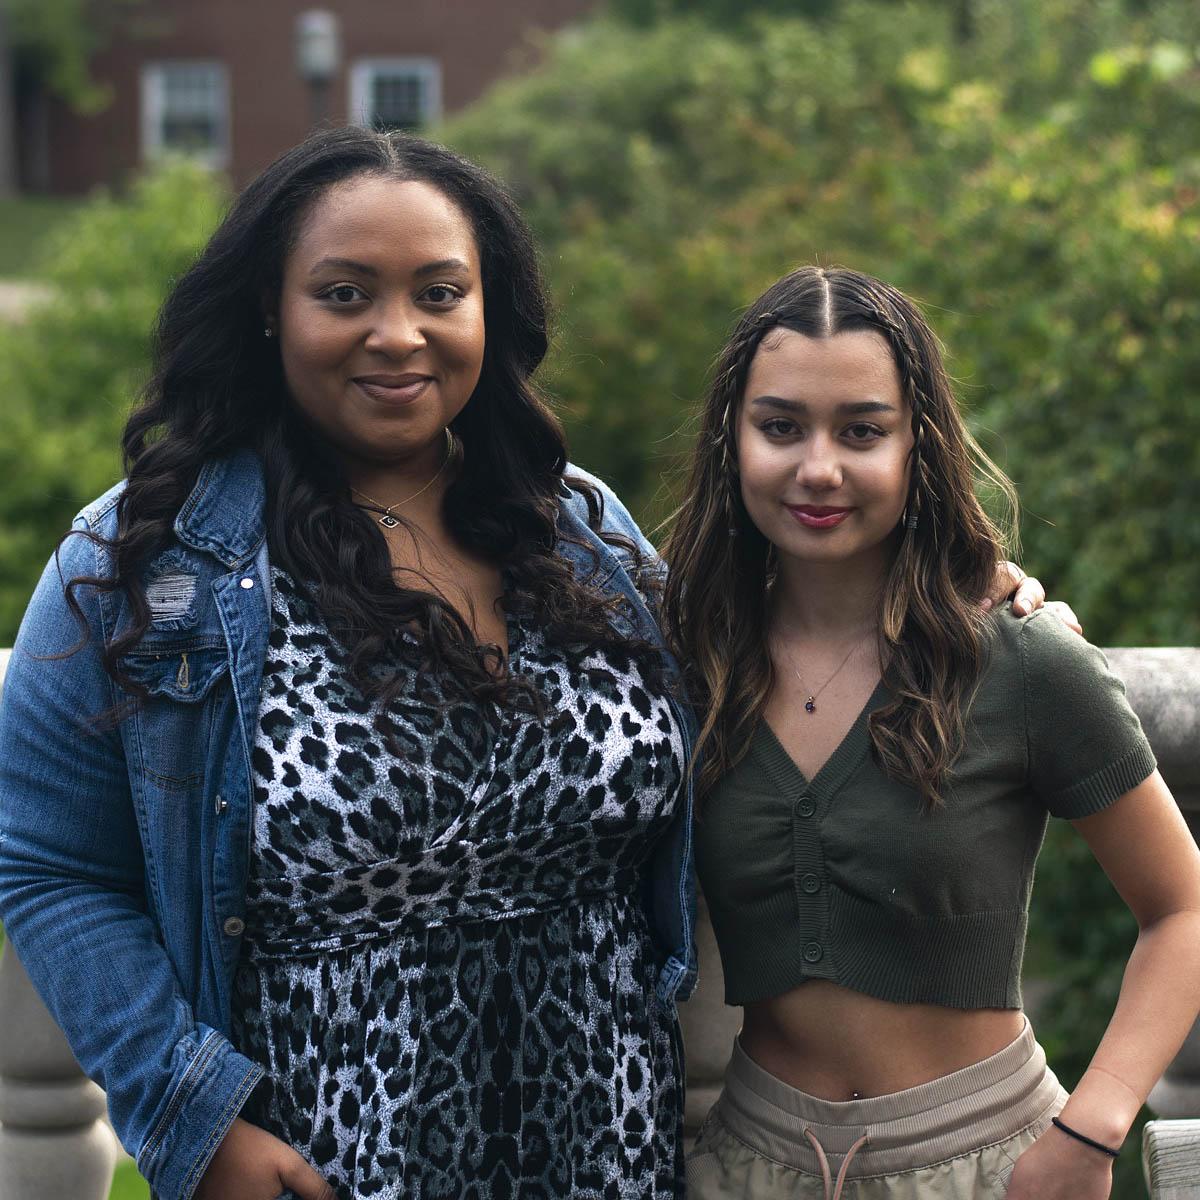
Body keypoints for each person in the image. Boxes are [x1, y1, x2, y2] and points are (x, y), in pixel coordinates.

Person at [0, 130, 1049, 1200]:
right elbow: (46, 861)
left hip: (609, 1150)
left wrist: (957, 590)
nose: (398, 335)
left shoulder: (577, 527)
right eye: (346, 293)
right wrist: (194, 1119)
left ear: (488, 310)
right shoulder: (148, 554)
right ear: (272, 307)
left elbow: (768, 639)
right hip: (326, 1159)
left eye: (440, 293)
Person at [666, 265, 1200, 1200]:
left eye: (863, 431)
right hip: (743, 1163)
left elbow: (1185, 910)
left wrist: (1094, 1127)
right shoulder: (687, 661)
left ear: (920, 447)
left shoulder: (1020, 662)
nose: (819, 468)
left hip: (986, 1166)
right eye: (781, 426)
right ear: (731, 440)